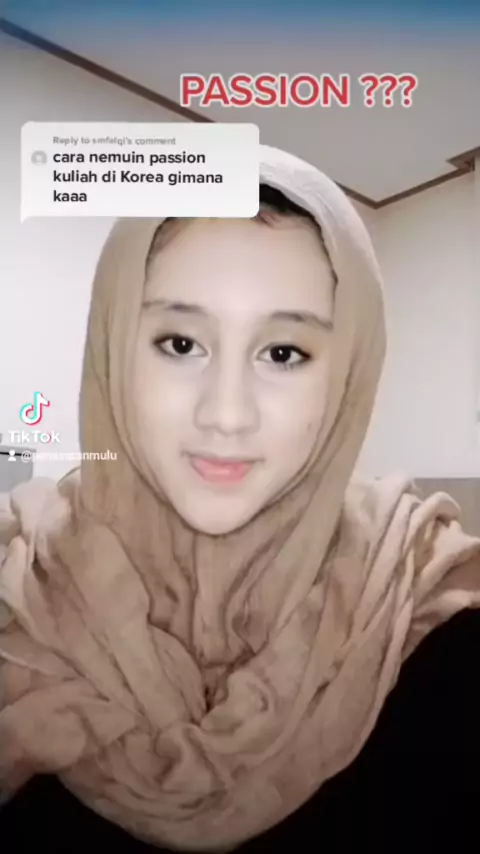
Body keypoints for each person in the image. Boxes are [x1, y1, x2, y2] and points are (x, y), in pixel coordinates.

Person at [1, 144, 480, 853]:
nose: (227, 414)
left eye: (283, 354)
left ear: (348, 373)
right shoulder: (18, 595)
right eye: (180, 343)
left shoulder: (433, 618)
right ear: (111, 347)